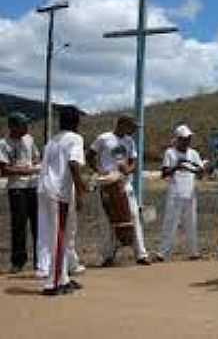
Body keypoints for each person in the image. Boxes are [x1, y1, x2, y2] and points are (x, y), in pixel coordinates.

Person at [87, 116, 150, 266]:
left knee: (133, 214)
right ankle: (108, 255)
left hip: (124, 181)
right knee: (107, 219)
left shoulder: (129, 141)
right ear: (121, 124)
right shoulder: (104, 138)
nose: (134, 130)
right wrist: (99, 170)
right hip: (108, 182)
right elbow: (90, 154)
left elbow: (134, 161)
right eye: (131, 127)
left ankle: (141, 253)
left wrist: (128, 169)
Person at [38, 107, 86, 295]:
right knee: (58, 236)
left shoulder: (52, 140)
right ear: (76, 123)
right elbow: (74, 164)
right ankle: (53, 283)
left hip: (45, 189)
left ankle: (63, 277)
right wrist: (81, 191)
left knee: (59, 235)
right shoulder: (75, 139)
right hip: (57, 192)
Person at [154, 125, 205, 261]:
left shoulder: (193, 154)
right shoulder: (170, 153)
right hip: (175, 193)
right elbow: (164, 173)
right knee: (170, 223)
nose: (187, 141)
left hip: (190, 192)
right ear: (177, 139)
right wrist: (177, 166)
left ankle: (193, 252)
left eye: (189, 138)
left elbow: (201, 172)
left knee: (191, 223)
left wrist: (199, 170)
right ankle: (163, 253)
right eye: (184, 139)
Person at [0, 112, 41, 274]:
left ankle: (40, 260)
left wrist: (35, 167)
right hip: (17, 188)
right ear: (13, 127)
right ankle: (18, 261)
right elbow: (3, 169)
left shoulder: (29, 140)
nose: (26, 128)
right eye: (23, 125)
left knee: (38, 224)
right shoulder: (4, 144)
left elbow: (36, 158)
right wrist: (24, 171)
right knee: (19, 226)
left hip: (34, 186)